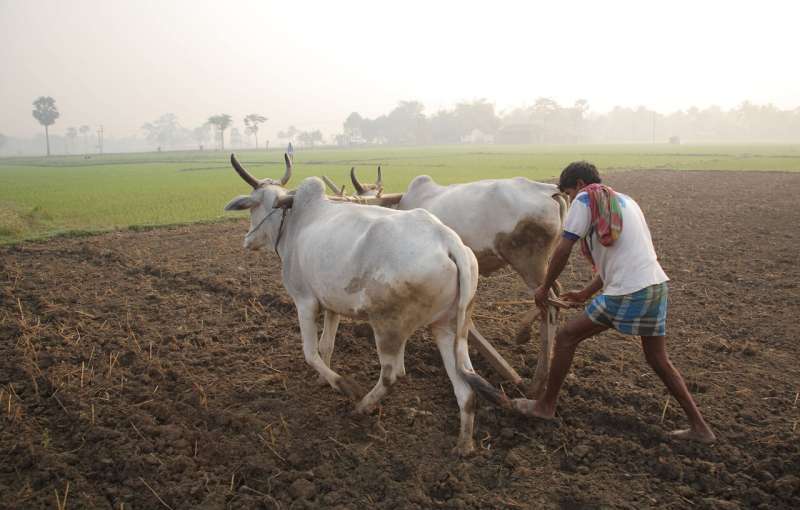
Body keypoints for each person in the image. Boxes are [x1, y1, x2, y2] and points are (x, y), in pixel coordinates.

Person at [513, 161, 716, 443]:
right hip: (655, 286)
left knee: (567, 336)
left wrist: (544, 287)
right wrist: (585, 294)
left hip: (628, 292)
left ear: (580, 185)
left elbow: (563, 248)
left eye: (569, 193)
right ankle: (700, 428)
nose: (571, 200)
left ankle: (545, 406)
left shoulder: (586, 198)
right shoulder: (626, 202)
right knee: (658, 359)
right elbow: (620, 260)